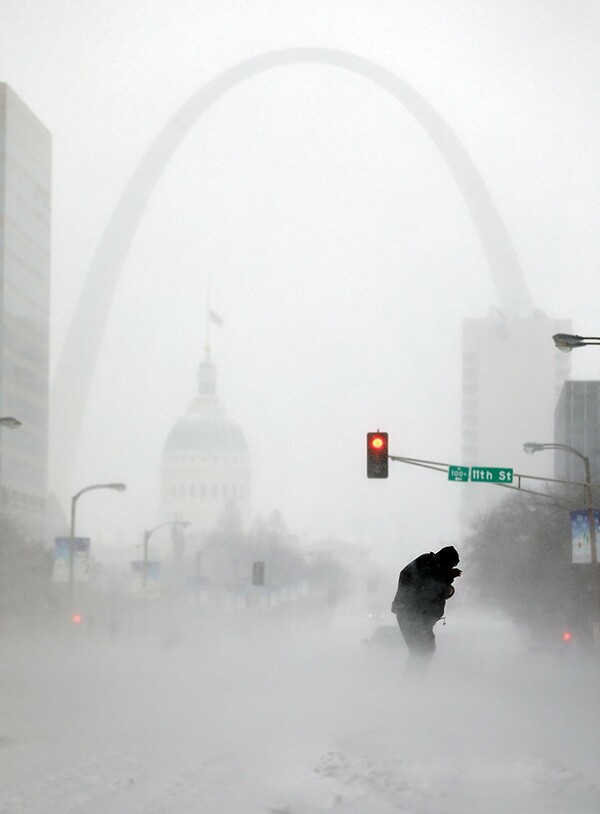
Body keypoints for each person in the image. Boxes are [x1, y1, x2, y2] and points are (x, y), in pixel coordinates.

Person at [391, 545, 461, 670]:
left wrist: (446, 586)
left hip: (418, 616)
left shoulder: (432, 567)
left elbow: (432, 588)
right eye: (450, 565)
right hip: (411, 614)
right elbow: (427, 588)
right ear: (445, 560)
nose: (451, 568)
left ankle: (415, 681)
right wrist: (447, 579)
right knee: (421, 649)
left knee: (425, 649)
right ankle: (413, 681)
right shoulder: (426, 564)